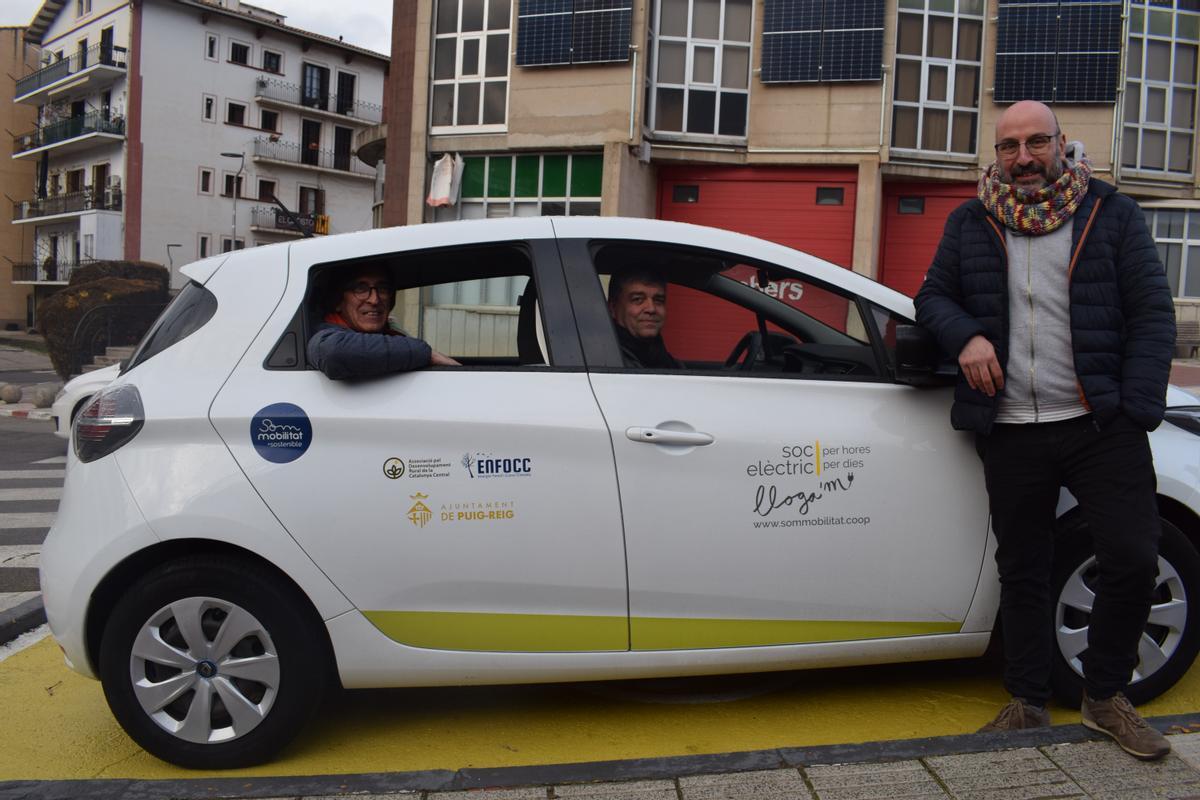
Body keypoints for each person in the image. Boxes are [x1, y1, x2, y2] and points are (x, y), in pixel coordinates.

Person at [915, 100, 1176, 760]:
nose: (1023, 158)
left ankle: (1105, 696)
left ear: (1062, 144)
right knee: (1023, 569)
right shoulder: (971, 220)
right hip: (1011, 429)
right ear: (996, 155)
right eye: (1009, 146)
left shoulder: (1111, 214)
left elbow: (1152, 315)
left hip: (1098, 424)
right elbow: (932, 297)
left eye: (1036, 142)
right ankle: (1027, 703)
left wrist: (1134, 408)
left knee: (1133, 558)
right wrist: (966, 336)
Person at [308, 266, 459, 379]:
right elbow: (334, 353)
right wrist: (426, 354)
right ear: (338, 302)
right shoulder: (324, 335)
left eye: (383, 289)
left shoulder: (396, 338)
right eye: (361, 288)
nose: (375, 299)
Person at [608, 268, 682, 368]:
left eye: (658, 300)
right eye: (638, 299)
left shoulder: (666, 360)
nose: (651, 309)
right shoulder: (607, 360)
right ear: (613, 308)